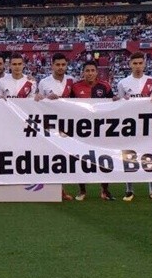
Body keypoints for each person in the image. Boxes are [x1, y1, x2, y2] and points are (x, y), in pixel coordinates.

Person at [115, 51, 152, 202]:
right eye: (135, 63)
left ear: (144, 64)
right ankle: (129, 190)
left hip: (149, 124)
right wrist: (119, 100)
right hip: (130, 125)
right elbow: (119, 104)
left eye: (140, 63)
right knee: (129, 156)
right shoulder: (123, 83)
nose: (137, 66)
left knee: (151, 156)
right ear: (130, 64)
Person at [70, 60, 115, 201]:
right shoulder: (75, 87)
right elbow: (67, 107)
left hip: (101, 129)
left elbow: (114, 105)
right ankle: (82, 190)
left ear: (97, 72)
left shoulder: (105, 86)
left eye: (92, 71)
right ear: (83, 72)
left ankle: (105, 190)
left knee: (104, 159)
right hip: (81, 130)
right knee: (81, 159)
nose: (90, 73)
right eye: (87, 71)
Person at [34, 52, 76, 201]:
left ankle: (62, 189)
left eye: (63, 64)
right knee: (52, 155)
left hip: (68, 124)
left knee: (65, 157)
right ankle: (55, 189)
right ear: (52, 65)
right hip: (50, 125)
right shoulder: (44, 82)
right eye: (57, 64)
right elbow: (38, 102)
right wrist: (43, 97)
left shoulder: (72, 81)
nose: (60, 67)